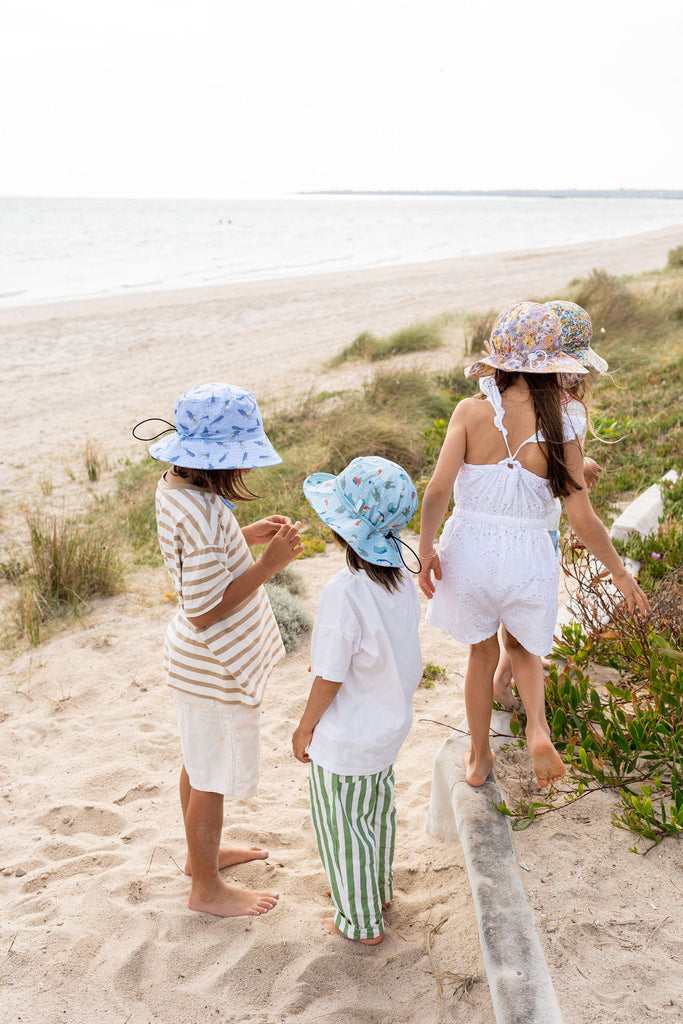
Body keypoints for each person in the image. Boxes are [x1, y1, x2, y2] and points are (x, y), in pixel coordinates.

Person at [417, 302, 649, 789]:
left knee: (481, 657)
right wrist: (620, 573)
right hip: (529, 554)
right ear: (556, 366)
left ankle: (480, 759)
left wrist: (426, 547)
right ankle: (538, 729)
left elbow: (437, 490)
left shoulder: (470, 411)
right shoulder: (565, 423)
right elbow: (581, 518)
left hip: (471, 550)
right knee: (522, 648)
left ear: (499, 361)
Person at [141, 382, 304, 918]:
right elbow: (206, 608)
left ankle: (199, 857)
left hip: (193, 662)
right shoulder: (204, 515)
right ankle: (206, 888)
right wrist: (269, 564)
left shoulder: (177, 488)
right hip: (214, 663)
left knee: (198, 761)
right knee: (212, 775)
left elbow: (199, 557)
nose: (245, 473)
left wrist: (245, 534)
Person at [292, 456, 422, 945]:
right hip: (387, 727)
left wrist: (306, 726)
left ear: (342, 528)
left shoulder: (342, 591)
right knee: (376, 815)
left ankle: (362, 923)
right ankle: (378, 893)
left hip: (346, 739)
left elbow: (329, 673)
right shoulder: (399, 579)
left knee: (343, 833)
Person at [493, 299, 608, 708]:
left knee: (515, 615)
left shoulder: (508, 397)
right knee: (526, 611)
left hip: (504, 519)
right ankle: (506, 680)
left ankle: (512, 670)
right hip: (539, 525)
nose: (576, 378)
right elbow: (558, 465)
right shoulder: (566, 408)